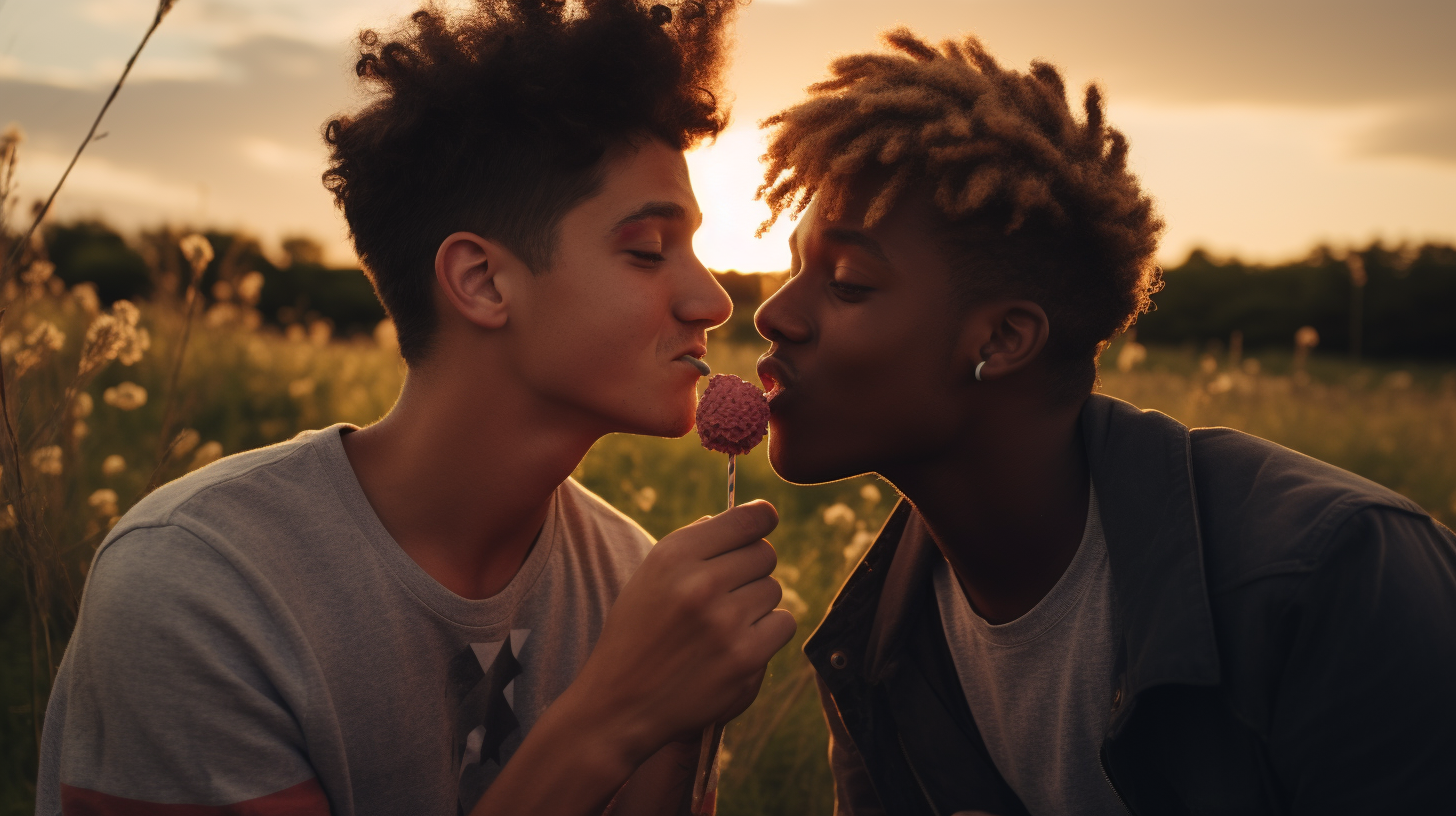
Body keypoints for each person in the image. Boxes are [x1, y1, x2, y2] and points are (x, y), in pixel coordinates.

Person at [35, 1, 797, 814]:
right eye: (648, 251)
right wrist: (612, 717)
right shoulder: (202, 590)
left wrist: (676, 722)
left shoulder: (629, 579)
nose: (713, 301)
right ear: (480, 281)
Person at [749, 28, 1456, 816]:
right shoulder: (874, 638)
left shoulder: (1337, 577)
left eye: (845, 281)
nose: (774, 314)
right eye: (791, 267)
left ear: (1003, 340)